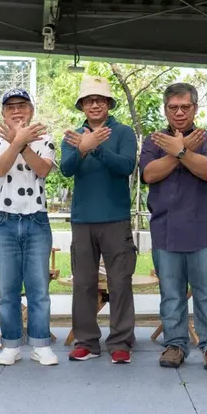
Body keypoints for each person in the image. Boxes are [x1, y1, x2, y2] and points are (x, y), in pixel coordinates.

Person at [139, 82, 207, 370]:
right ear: (165, 110)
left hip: (202, 230)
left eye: (185, 107)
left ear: (195, 109)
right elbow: (150, 175)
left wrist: (183, 151)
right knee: (171, 294)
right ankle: (175, 345)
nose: (179, 113)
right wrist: (177, 151)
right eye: (173, 108)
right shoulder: (153, 141)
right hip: (165, 229)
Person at [61, 75, 138, 364]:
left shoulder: (124, 132)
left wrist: (96, 147)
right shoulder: (72, 135)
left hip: (116, 219)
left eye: (100, 99)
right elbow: (66, 170)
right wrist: (81, 146)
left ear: (108, 103)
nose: (95, 104)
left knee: (120, 282)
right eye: (89, 100)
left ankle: (120, 341)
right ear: (82, 105)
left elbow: (126, 167)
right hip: (82, 221)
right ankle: (86, 341)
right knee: (83, 283)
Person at [0, 89, 58, 366]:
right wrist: (16, 141)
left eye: (22, 106)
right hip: (3, 220)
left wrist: (24, 143)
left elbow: (42, 170)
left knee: (39, 288)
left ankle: (40, 344)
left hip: (37, 219)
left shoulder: (45, 139)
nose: (17, 111)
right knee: (8, 289)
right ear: (3, 113)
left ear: (31, 110)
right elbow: (0, 168)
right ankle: (11, 344)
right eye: (11, 107)